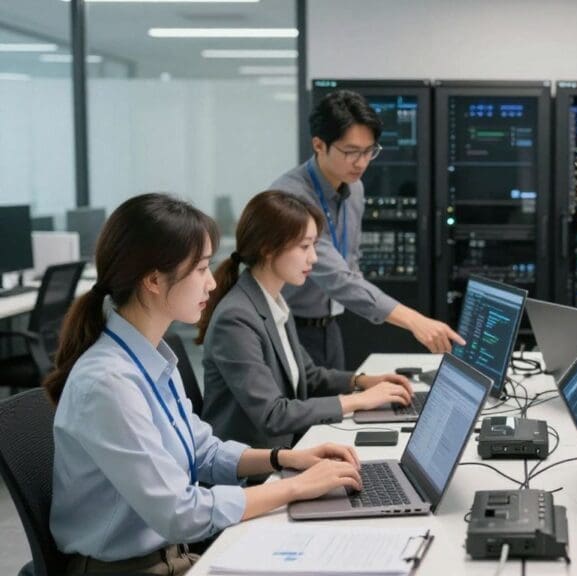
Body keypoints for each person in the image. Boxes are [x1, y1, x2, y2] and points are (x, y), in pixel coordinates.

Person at [46, 193, 364, 574]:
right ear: (152, 280)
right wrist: (294, 487)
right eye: (199, 269)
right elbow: (179, 513)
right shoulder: (108, 384)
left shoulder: (150, 359)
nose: (212, 283)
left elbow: (203, 452)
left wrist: (284, 459)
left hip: (171, 557)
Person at [198, 190, 414, 450]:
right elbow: (273, 414)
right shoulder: (236, 319)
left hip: (285, 449)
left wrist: (362, 381)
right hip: (250, 471)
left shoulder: (273, 301)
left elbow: (308, 376)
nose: (313, 257)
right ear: (268, 249)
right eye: (304, 246)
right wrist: (358, 401)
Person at [271, 89, 464, 371]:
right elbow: (336, 277)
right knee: (308, 411)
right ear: (318, 144)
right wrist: (414, 320)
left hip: (330, 326)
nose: (361, 163)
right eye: (350, 152)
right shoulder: (293, 196)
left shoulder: (355, 189)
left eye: (368, 151)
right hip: (289, 328)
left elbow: (350, 263)